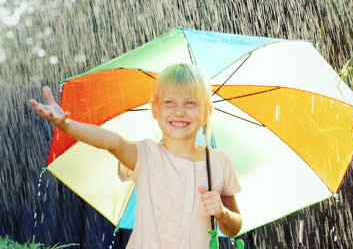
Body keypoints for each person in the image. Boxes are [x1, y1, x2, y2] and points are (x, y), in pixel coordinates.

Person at [29, 63, 242, 248]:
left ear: (206, 111)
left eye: (191, 103)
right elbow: (112, 142)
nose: (179, 111)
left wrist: (222, 213)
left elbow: (234, 227)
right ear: (155, 109)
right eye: (169, 102)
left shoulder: (218, 162)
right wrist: (67, 124)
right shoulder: (146, 155)